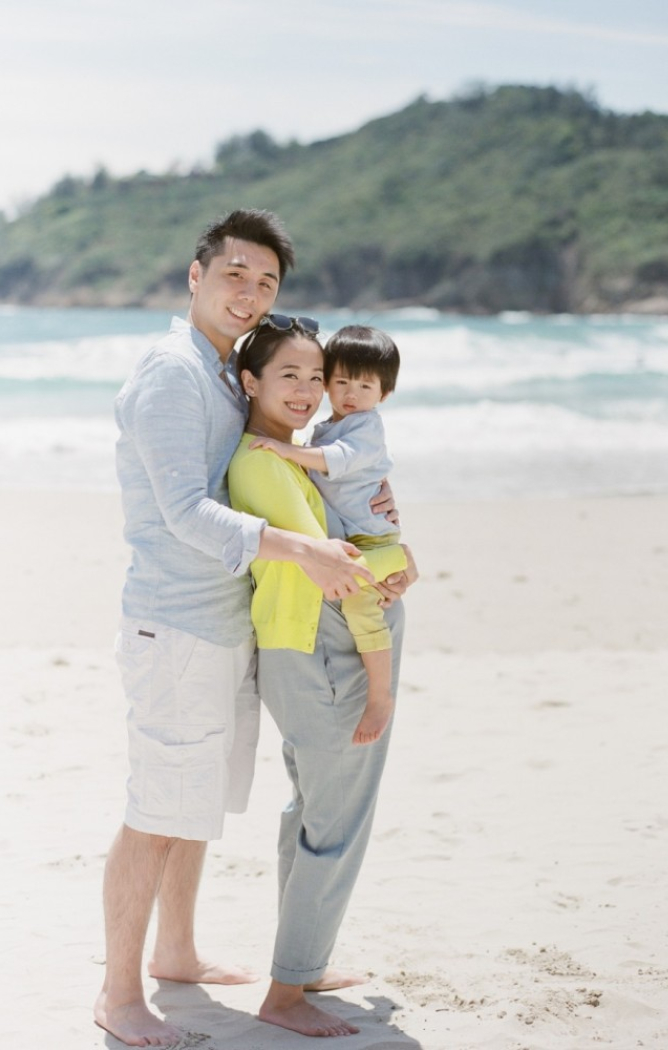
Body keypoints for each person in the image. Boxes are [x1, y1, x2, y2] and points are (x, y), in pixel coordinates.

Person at [94, 210, 405, 1049]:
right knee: (156, 809)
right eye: (235, 274)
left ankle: (177, 951)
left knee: (194, 803)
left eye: (266, 281)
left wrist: (379, 537)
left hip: (228, 619)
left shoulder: (225, 371)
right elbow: (185, 512)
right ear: (197, 276)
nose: (250, 292)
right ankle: (119, 993)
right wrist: (304, 549)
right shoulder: (173, 374)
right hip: (177, 623)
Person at [228, 317, 417, 1038]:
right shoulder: (266, 462)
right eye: (292, 376)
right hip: (326, 653)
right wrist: (399, 561)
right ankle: (287, 992)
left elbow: (345, 535)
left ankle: (300, 966)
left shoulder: (297, 456)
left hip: (313, 647)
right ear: (251, 382)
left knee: (311, 814)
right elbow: (339, 565)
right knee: (335, 827)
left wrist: (389, 546)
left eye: (318, 376)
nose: (310, 390)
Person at [250, 324, 404, 745]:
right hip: (357, 537)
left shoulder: (365, 427)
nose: (351, 394)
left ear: (384, 394)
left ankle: (380, 696)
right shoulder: (325, 428)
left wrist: (288, 451)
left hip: (372, 540)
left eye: (365, 386)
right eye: (340, 382)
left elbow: (338, 460)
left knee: (361, 607)